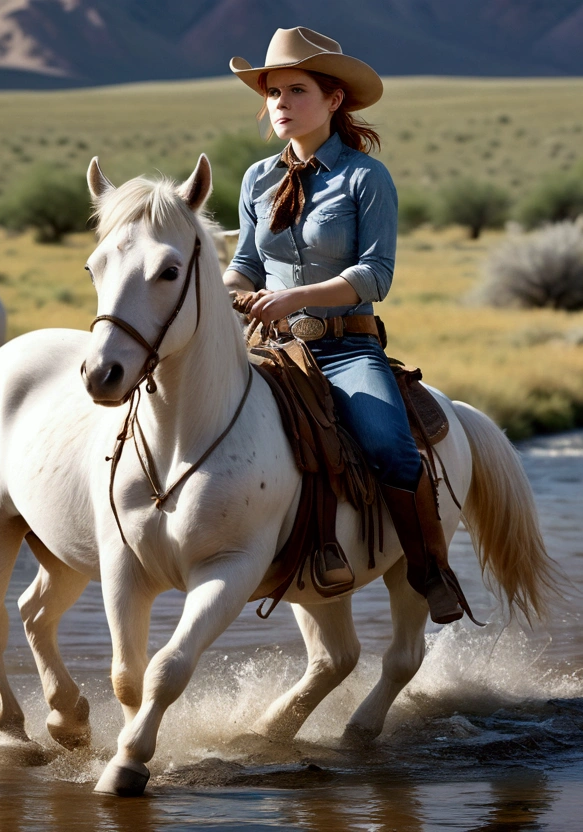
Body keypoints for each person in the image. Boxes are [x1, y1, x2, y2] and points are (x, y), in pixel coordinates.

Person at [224, 27, 472, 624]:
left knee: (390, 445)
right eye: (273, 92)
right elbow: (244, 264)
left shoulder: (365, 178)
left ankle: (429, 569)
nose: (279, 103)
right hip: (268, 346)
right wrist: (234, 294)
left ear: (334, 100)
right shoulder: (258, 179)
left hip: (343, 347)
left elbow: (375, 275)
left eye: (295, 90)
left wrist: (295, 299)